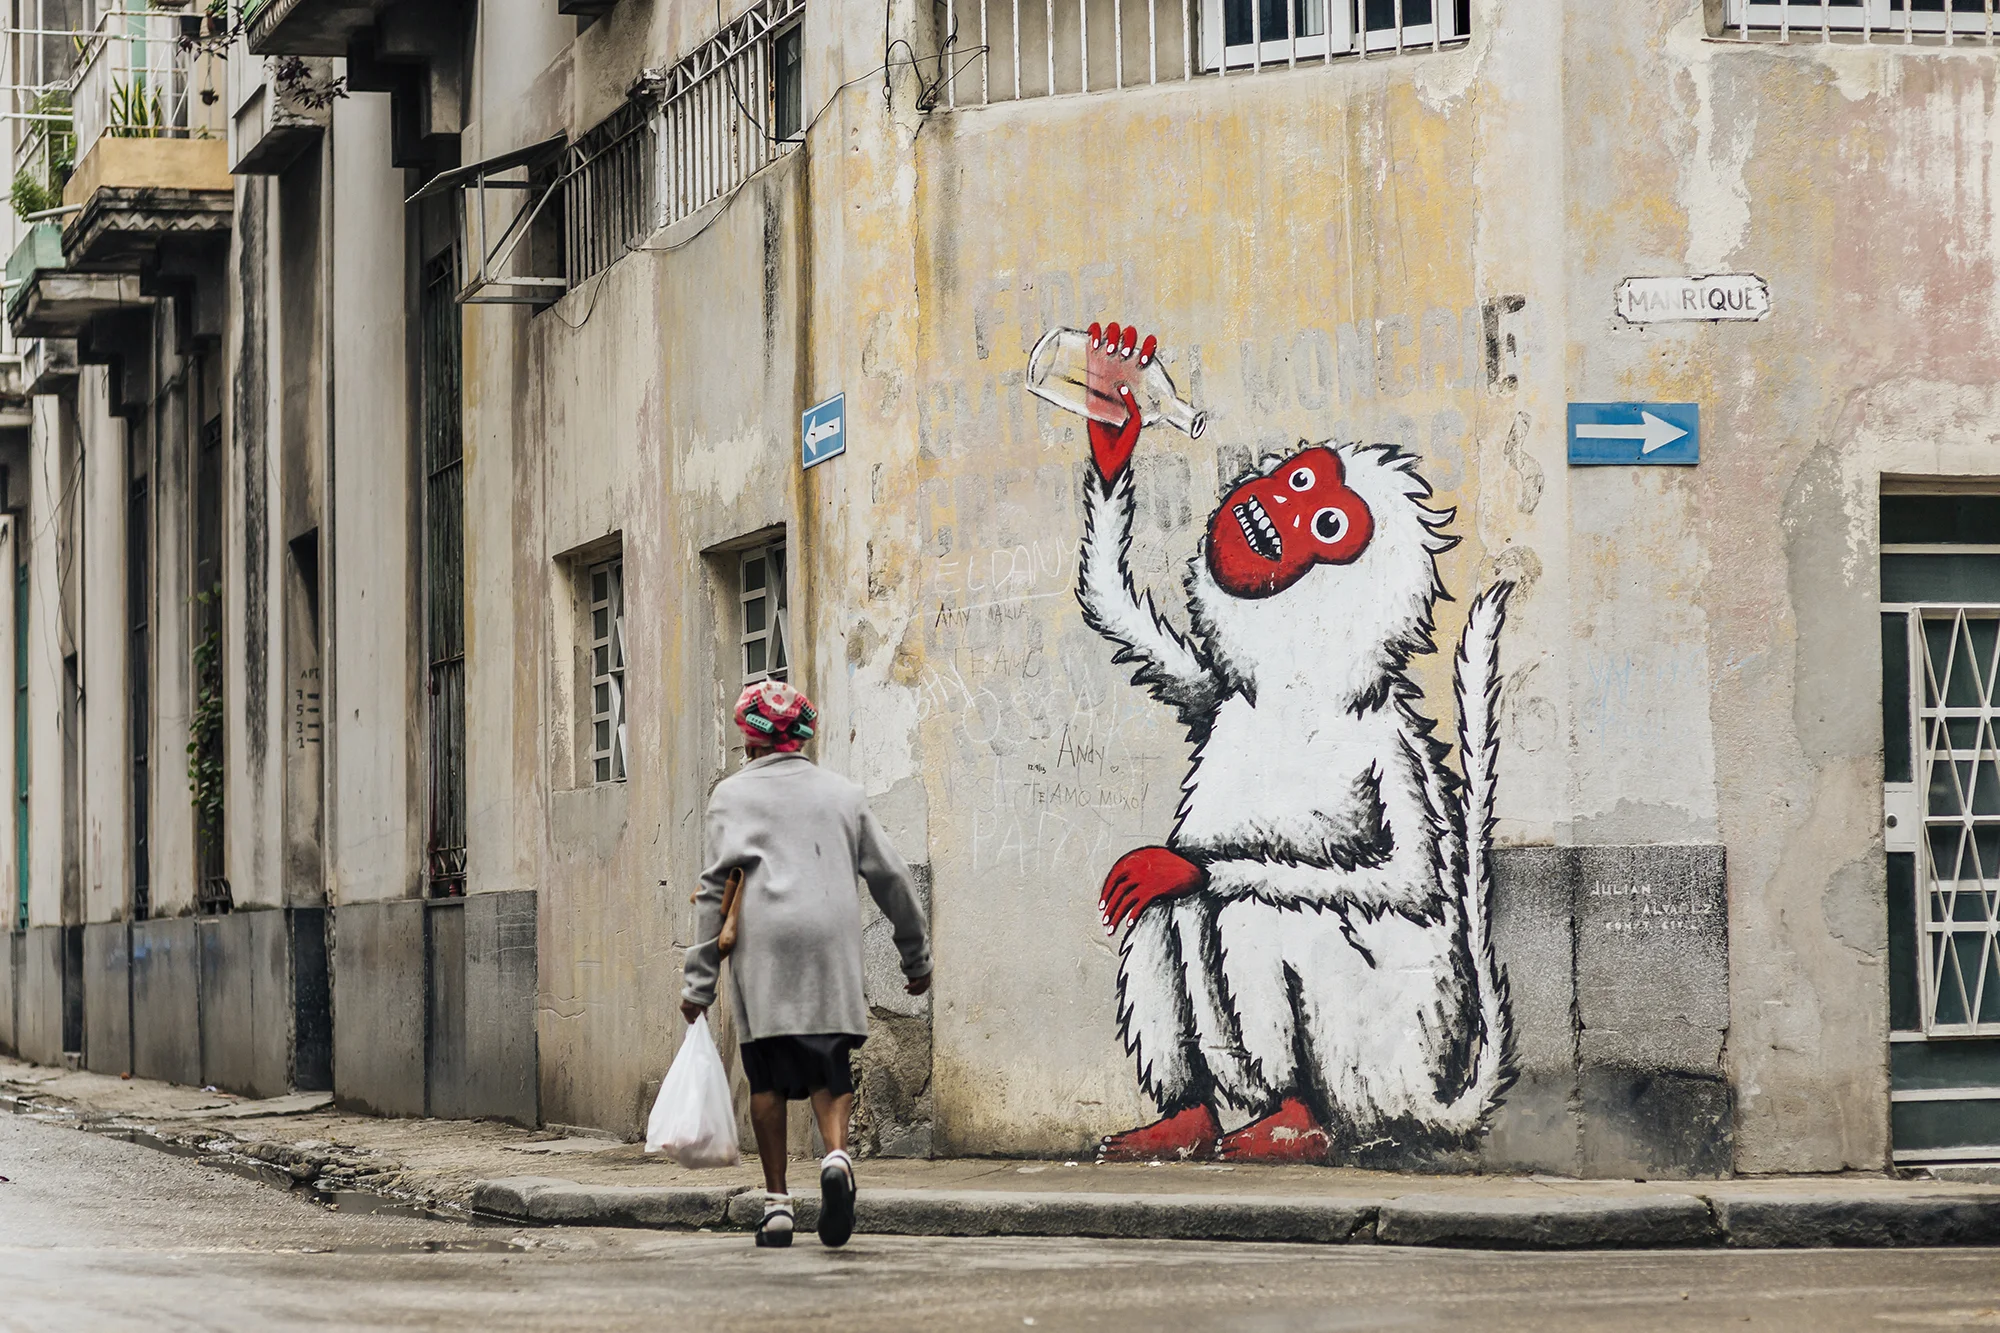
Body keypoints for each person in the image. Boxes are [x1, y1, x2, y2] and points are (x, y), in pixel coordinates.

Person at [680, 679, 933, 1249]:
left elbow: (713, 890)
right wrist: (914, 955)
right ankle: (836, 1157)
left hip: (764, 947)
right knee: (829, 1067)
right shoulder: (844, 794)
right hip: (829, 944)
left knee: (767, 1078)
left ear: (751, 739)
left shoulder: (730, 797)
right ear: (803, 736)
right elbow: (892, 877)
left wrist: (699, 983)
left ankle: (777, 1206)